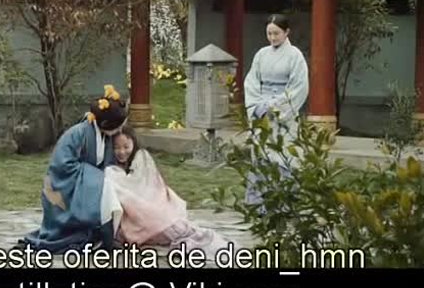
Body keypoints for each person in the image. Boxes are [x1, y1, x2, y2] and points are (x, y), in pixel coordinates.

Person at [18, 85, 127, 254]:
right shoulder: (77, 133)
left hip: (89, 185)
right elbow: (62, 166)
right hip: (65, 187)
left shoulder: (106, 137)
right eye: (118, 126)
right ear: (105, 123)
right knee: (106, 187)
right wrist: (98, 178)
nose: (120, 130)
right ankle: (105, 238)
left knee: (113, 187)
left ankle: (106, 236)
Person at [105, 127, 233, 260]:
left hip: (152, 205)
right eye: (116, 147)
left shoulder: (142, 157)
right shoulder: (112, 167)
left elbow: (148, 184)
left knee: (170, 226)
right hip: (134, 214)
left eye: (126, 147)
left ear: (134, 143)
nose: (121, 152)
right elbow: (122, 189)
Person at [242, 14, 309, 209]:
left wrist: (276, 106)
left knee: (283, 153)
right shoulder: (261, 54)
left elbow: (299, 86)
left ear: (287, 32)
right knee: (261, 152)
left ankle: (284, 203)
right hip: (261, 109)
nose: (272, 37)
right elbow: (251, 82)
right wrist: (256, 106)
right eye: (269, 33)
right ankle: (258, 202)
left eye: (276, 33)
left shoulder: (295, 55)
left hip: (282, 113)